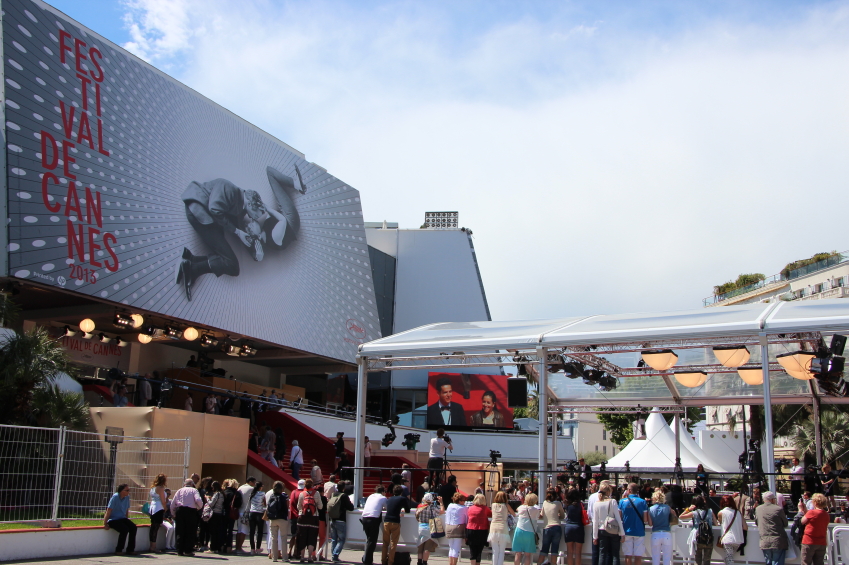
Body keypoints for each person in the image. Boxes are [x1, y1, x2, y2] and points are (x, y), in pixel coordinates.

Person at [170, 478, 204, 557]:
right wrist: (198, 507)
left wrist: (173, 513)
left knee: (180, 531)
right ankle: (188, 550)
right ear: (192, 484)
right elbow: (198, 500)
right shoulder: (194, 490)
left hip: (180, 511)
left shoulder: (179, 490)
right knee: (190, 531)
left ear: (184, 484)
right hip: (190, 511)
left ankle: (180, 550)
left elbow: (173, 503)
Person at [592, 482, 624, 565]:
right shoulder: (612, 501)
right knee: (615, 554)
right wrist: (622, 533)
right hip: (613, 528)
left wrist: (595, 537)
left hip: (602, 529)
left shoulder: (596, 504)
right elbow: (618, 518)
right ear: (608, 492)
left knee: (602, 553)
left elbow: (595, 521)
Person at [680, 495, 717, 565]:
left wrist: (688, 509)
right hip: (708, 538)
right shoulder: (710, 511)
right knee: (707, 560)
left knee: (697, 560)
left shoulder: (694, 513)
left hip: (697, 537)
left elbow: (680, 517)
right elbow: (716, 523)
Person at [756, 491, 789, 565]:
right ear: (772, 499)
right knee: (777, 562)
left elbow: (757, 522)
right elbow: (785, 523)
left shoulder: (758, 509)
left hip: (764, 541)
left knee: (768, 562)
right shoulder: (778, 509)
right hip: (778, 541)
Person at [383, 484, 413, 565]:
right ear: (401, 492)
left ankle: (383, 561)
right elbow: (408, 510)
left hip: (386, 521)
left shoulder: (389, 499)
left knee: (385, 543)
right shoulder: (402, 498)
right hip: (395, 522)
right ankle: (390, 562)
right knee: (393, 543)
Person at [619, 483, 648, 565]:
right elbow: (645, 519)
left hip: (626, 531)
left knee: (628, 556)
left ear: (629, 490)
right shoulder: (642, 502)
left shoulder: (622, 501)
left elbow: (619, 518)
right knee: (638, 556)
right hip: (639, 531)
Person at [104, 483, 137, 555]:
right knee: (124, 529)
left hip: (122, 518)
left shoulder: (127, 497)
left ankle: (130, 549)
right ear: (121, 491)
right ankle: (119, 550)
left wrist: (127, 519)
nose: (128, 492)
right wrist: (105, 523)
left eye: (129, 490)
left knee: (133, 527)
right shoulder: (115, 497)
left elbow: (126, 510)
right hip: (113, 519)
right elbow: (109, 510)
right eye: (127, 490)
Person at [296, 479, 323, 562]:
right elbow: (320, 507)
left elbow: (298, 507)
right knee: (312, 537)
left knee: (302, 536)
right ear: (312, 485)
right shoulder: (316, 493)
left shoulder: (302, 494)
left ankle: (302, 557)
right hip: (313, 518)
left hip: (302, 518)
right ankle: (310, 557)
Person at [799, 493, 829, 565]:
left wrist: (800, 510)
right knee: (819, 563)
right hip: (821, 542)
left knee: (806, 563)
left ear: (815, 502)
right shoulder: (826, 514)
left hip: (809, 541)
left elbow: (802, 521)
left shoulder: (812, 512)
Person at [416, 493, 445, 565]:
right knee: (427, 548)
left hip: (421, 528)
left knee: (420, 547)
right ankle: (424, 562)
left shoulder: (420, 506)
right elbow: (442, 511)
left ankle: (419, 562)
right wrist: (441, 502)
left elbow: (416, 516)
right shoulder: (432, 507)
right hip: (430, 529)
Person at [361, 485, 388, 565]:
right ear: (382, 492)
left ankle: (367, 558)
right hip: (373, 519)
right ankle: (367, 561)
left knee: (369, 540)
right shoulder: (383, 498)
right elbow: (387, 507)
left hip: (364, 518)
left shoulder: (370, 496)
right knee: (372, 541)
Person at [513, 492, 541, 565]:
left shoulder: (521, 507)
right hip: (529, 532)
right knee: (527, 555)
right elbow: (539, 516)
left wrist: (525, 504)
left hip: (519, 530)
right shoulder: (536, 510)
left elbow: (517, 509)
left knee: (518, 553)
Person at [489, 491, 517, 565]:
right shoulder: (506, 505)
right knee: (501, 551)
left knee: (495, 551)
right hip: (503, 528)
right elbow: (514, 514)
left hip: (493, 528)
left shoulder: (493, 505)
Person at [329, 481, 355, 562]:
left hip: (332, 519)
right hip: (341, 520)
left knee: (334, 539)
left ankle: (333, 556)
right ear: (344, 488)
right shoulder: (344, 496)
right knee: (341, 539)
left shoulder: (333, 494)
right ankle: (335, 555)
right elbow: (351, 507)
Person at [717, 495, 746, 565]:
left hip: (728, 539)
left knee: (729, 558)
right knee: (729, 557)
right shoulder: (738, 512)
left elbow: (719, 522)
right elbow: (745, 527)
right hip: (738, 539)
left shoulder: (721, 513)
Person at [648, 490, 675, 565]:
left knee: (655, 558)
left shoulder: (650, 509)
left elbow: (650, 524)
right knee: (667, 558)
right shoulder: (668, 508)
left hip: (655, 533)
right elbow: (674, 517)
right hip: (666, 533)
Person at [538, 489, 564, 565]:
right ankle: (553, 563)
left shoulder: (545, 503)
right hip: (556, 527)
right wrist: (557, 515)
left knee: (544, 549)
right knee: (554, 549)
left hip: (547, 528)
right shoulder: (558, 503)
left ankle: (539, 563)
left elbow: (542, 515)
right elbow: (562, 516)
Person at [464, 493, 492, 565]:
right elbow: (491, 514)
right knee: (479, 550)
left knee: (472, 550)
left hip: (470, 530)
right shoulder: (485, 508)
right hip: (482, 531)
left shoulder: (470, 508)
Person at [267, 481, 290, 563]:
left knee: (274, 538)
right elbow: (287, 507)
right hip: (282, 518)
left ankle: (274, 557)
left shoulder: (271, 496)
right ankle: (284, 557)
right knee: (283, 538)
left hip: (273, 519)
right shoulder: (284, 496)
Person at [445, 492, 469, 565]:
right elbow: (466, 519)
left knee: (451, 548)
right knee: (456, 548)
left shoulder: (450, 505)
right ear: (460, 501)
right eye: (463, 500)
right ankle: (454, 563)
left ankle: (450, 563)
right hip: (458, 527)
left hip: (448, 526)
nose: (464, 502)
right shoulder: (464, 508)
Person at [563, 488, 586, 565]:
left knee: (569, 552)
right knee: (578, 552)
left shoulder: (567, 504)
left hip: (569, 527)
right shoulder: (581, 504)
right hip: (578, 527)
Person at [236, 477, 257, 553]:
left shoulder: (240, 488)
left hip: (239, 511)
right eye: (254, 482)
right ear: (250, 482)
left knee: (239, 530)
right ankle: (239, 548)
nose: (254, 484)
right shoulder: (251, 489)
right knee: (244, 531)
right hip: (246, 511)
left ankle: (237, 547)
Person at [148, 474, 168, 553]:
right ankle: (153, 547)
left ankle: (151, 546)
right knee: (155, 528)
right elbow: (163, 501)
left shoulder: (153, 488)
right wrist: (165, 508)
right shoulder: (161, 488)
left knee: (153, 527)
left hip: (152, 508)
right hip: (158, 508)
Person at [222, 478, 242, 555]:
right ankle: (229, 547)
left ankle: (222, 546)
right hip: (232, 513)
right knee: (230, 530)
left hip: (224, 512)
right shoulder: (237, 493)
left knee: (223, 529)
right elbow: (239, 504)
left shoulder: (224, 492)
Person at [207, 481, 226, 554]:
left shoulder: (217, 494)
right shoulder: (222, 494)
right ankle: (218, 547)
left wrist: (207, 499)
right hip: (220, 514)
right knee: (218, 532)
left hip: (214, 514)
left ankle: (212, 548)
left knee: (213, 532)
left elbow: (211, 504)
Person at [248, 481, 267, 555]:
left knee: (252, 532)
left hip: (252, 513)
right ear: (260, 487)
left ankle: (252, 549)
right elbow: (265, 503)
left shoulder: (252, 493)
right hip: (259, 513)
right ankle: (258, 548)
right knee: (260, 532)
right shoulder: (263, 493)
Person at [289, 479, 306, 560]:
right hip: (301, 516)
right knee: (299, 536)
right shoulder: (304, 493)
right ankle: (296, 553)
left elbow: (291, 503)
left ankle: (289, 551)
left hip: (293, 516)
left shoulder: (293, 492)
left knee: (293, 535)